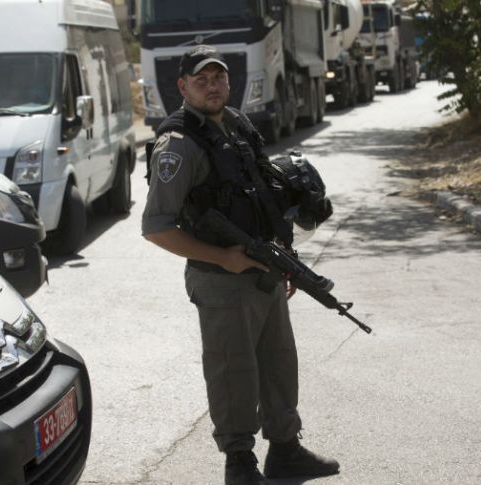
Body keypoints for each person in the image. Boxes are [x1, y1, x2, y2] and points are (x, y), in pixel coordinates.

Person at [141, 45, 339, 485]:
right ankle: (240, 465)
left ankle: (285, 451)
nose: (212, 86)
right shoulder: (178, 145)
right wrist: (223, 258)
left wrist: (286, 260)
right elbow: (156, 229)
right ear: (182, 87)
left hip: (263, 272)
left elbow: (263, 200)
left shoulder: (237, 124)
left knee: (279, 365)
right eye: (201, 79)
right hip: (220, 280)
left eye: (219, 77)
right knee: (234, 373)